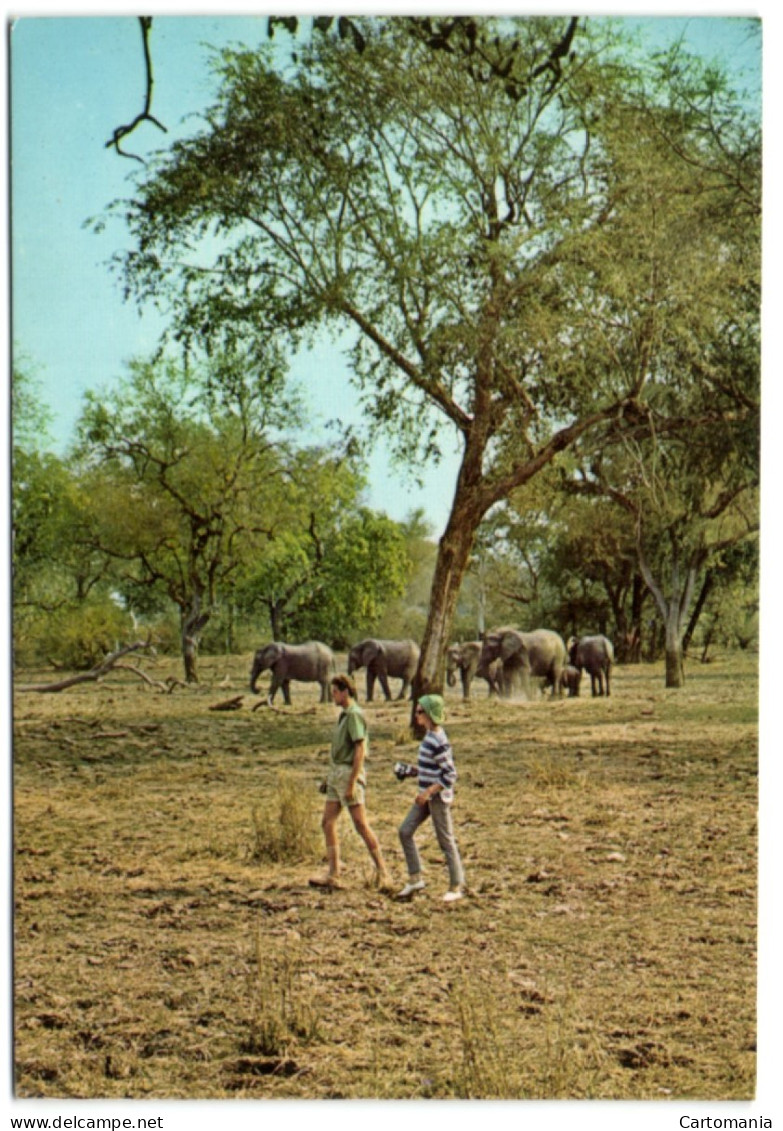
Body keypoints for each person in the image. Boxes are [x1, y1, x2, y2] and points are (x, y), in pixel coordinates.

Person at [310, 673, 392, 891]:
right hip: (337, 773)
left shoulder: (354, 715)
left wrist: (352, 782)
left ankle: (383, 872)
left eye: (335, 692)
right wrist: (330, 779)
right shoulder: (345, 715)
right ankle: (334, 873)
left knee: (360, 824)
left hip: (348, 774)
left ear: (345, 692)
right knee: (327, 822)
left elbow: (359, 749)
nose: (333, 697)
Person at [397, 694, 466, 903]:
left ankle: (456, 885)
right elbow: (431, 769)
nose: (416, 715)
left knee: (445, 840)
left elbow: (449, 775)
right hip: (426, 797)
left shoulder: (438, 740)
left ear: (428, 715)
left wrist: (428, 792)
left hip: (436, 799)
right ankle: (415, 877)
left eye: (419, 712)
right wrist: (410, 771)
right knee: (405, 831)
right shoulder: (429, 737)